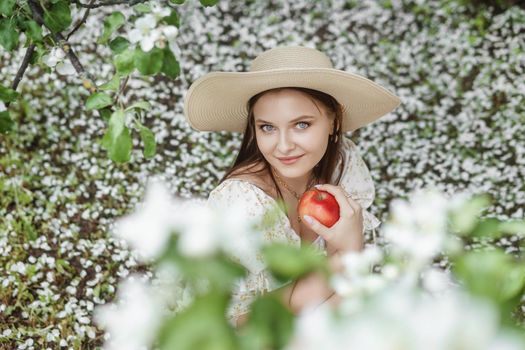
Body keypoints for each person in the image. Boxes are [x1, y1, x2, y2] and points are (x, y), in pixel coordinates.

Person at [183, 45, 401, 328]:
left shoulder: (341, 164)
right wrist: (347, 255)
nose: (284, 146)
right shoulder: (245, 204)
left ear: (334, 121)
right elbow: (242, 321)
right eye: (268, 127)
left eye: (301, 124)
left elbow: (349, 290)